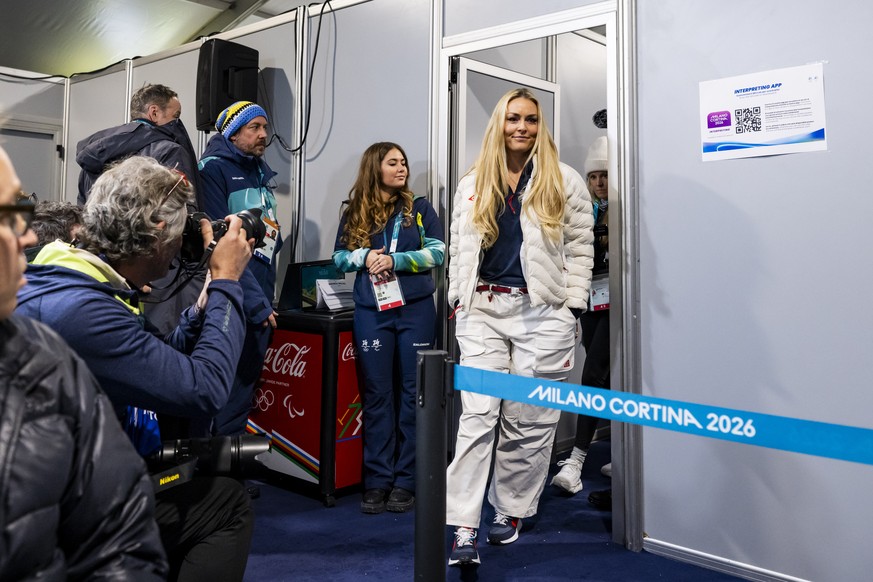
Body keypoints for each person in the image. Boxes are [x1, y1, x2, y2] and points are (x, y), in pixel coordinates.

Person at [16, 155, 256, 582]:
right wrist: (226, 284)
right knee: (227, 505)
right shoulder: (83, 311)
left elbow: (149, 358)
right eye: (180, 233)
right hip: (68, 513)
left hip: (61, 484)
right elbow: (204, 389)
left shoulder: (64, 275)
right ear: (159, 233)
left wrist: (200, 310)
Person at [0, 146, 168, 580]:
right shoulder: (77, 312)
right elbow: (201, 388)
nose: (30, 237)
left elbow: (117, 537)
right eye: (11, 215)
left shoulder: (44, 354)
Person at [445, 88, 594, 567]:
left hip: (541, 314)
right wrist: (457, 296)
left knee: (529, 422)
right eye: (513, 118)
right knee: (477, 417)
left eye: (531, 119)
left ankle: (510, 509)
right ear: (499, 122)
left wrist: (572, 306)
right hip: (483, 311)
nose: (522, 127)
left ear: (540, 124)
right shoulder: (474, 179)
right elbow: (458, 244)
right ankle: (464, 524)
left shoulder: (563, 179)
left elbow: (579, 246)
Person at [332, 142, 445, 514]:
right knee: (378, 394)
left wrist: (396, 260)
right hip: (373, 312)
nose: (402, 169)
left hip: (415, 312)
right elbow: (338, 258)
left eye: (404, 163)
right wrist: (364, 257)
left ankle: (407, 479)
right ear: (374, 168)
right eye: (393, 163)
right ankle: (377, 479)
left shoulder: (420, 208)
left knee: (414, 394)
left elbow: (439, 252)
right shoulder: (355, 212)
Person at [76, 83, 205, 336]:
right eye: (175, 117)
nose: (178, 125)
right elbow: (181, 215)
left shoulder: (94, 154)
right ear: (154, 113)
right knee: (160, 351)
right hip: (159, 270)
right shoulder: (169, 150)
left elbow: (83, 211)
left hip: (103, 268)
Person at [199, 100, 280, 436]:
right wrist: (255, 302)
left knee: (243, 389)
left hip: (259, 297)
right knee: (224, 389)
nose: (263, 134)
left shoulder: (259, 171)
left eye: (264, 127)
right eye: (254, 128)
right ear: (232, 133)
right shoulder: (213, 170)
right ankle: (217, 478)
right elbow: (220, 244)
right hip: (234, 299)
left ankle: (230, 471)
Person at [551, 136, 613, 496]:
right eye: (593, 177)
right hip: (589, 302)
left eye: (605, 175)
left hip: (620, 307)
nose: (598, 183)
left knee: (592, 375)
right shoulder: (581, 211)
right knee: (601, 375)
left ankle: (576, 459)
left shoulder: (624, 213)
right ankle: (623, 450)